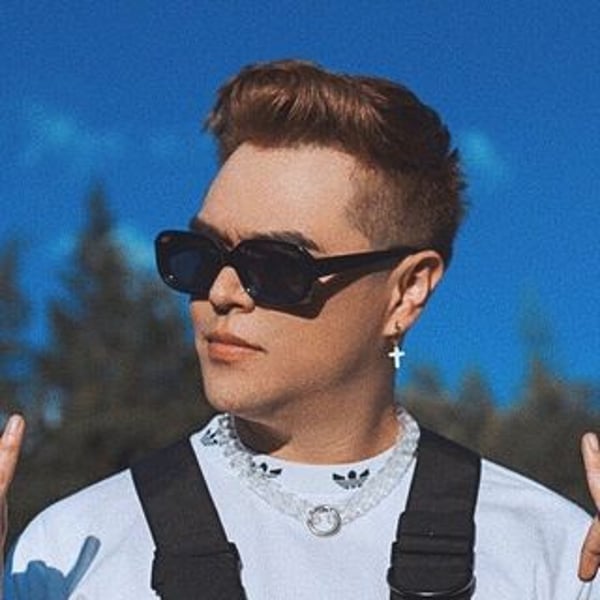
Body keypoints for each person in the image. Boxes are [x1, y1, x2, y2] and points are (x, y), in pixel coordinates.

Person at [0, 59, 599, 599]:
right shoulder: (69, 553)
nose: (222, 292)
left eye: (277, 267)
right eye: (199, 255)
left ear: (406, 292)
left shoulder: (554, 558)